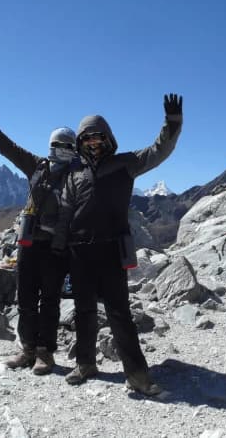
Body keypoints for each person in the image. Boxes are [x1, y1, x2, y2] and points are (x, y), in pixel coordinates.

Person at [52, 93, 183, 395]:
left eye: (99, 139)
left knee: (119, 313)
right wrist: (60, 246)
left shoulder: (127, 164)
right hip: (79, 251)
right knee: (83, 311)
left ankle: (137, 375)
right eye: (88, 140)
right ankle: (85, 363)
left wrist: (172, 123)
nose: (94, 144)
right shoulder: (76, 173)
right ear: (81, 144)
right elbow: (66, 212)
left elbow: (159, 150)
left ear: (109, 139)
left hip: (111, 251)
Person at [0, 104, 78, 375]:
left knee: (50, 300)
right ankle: (27, 348)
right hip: (28, 244)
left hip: (57, 247)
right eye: (58, 145)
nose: (62, 149)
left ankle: (45, 353)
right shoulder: (36, 165)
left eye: (68, 146)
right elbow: (8, 148)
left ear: (74, 148)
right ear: (51, 146)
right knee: (26, 298)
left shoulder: (78, 175)